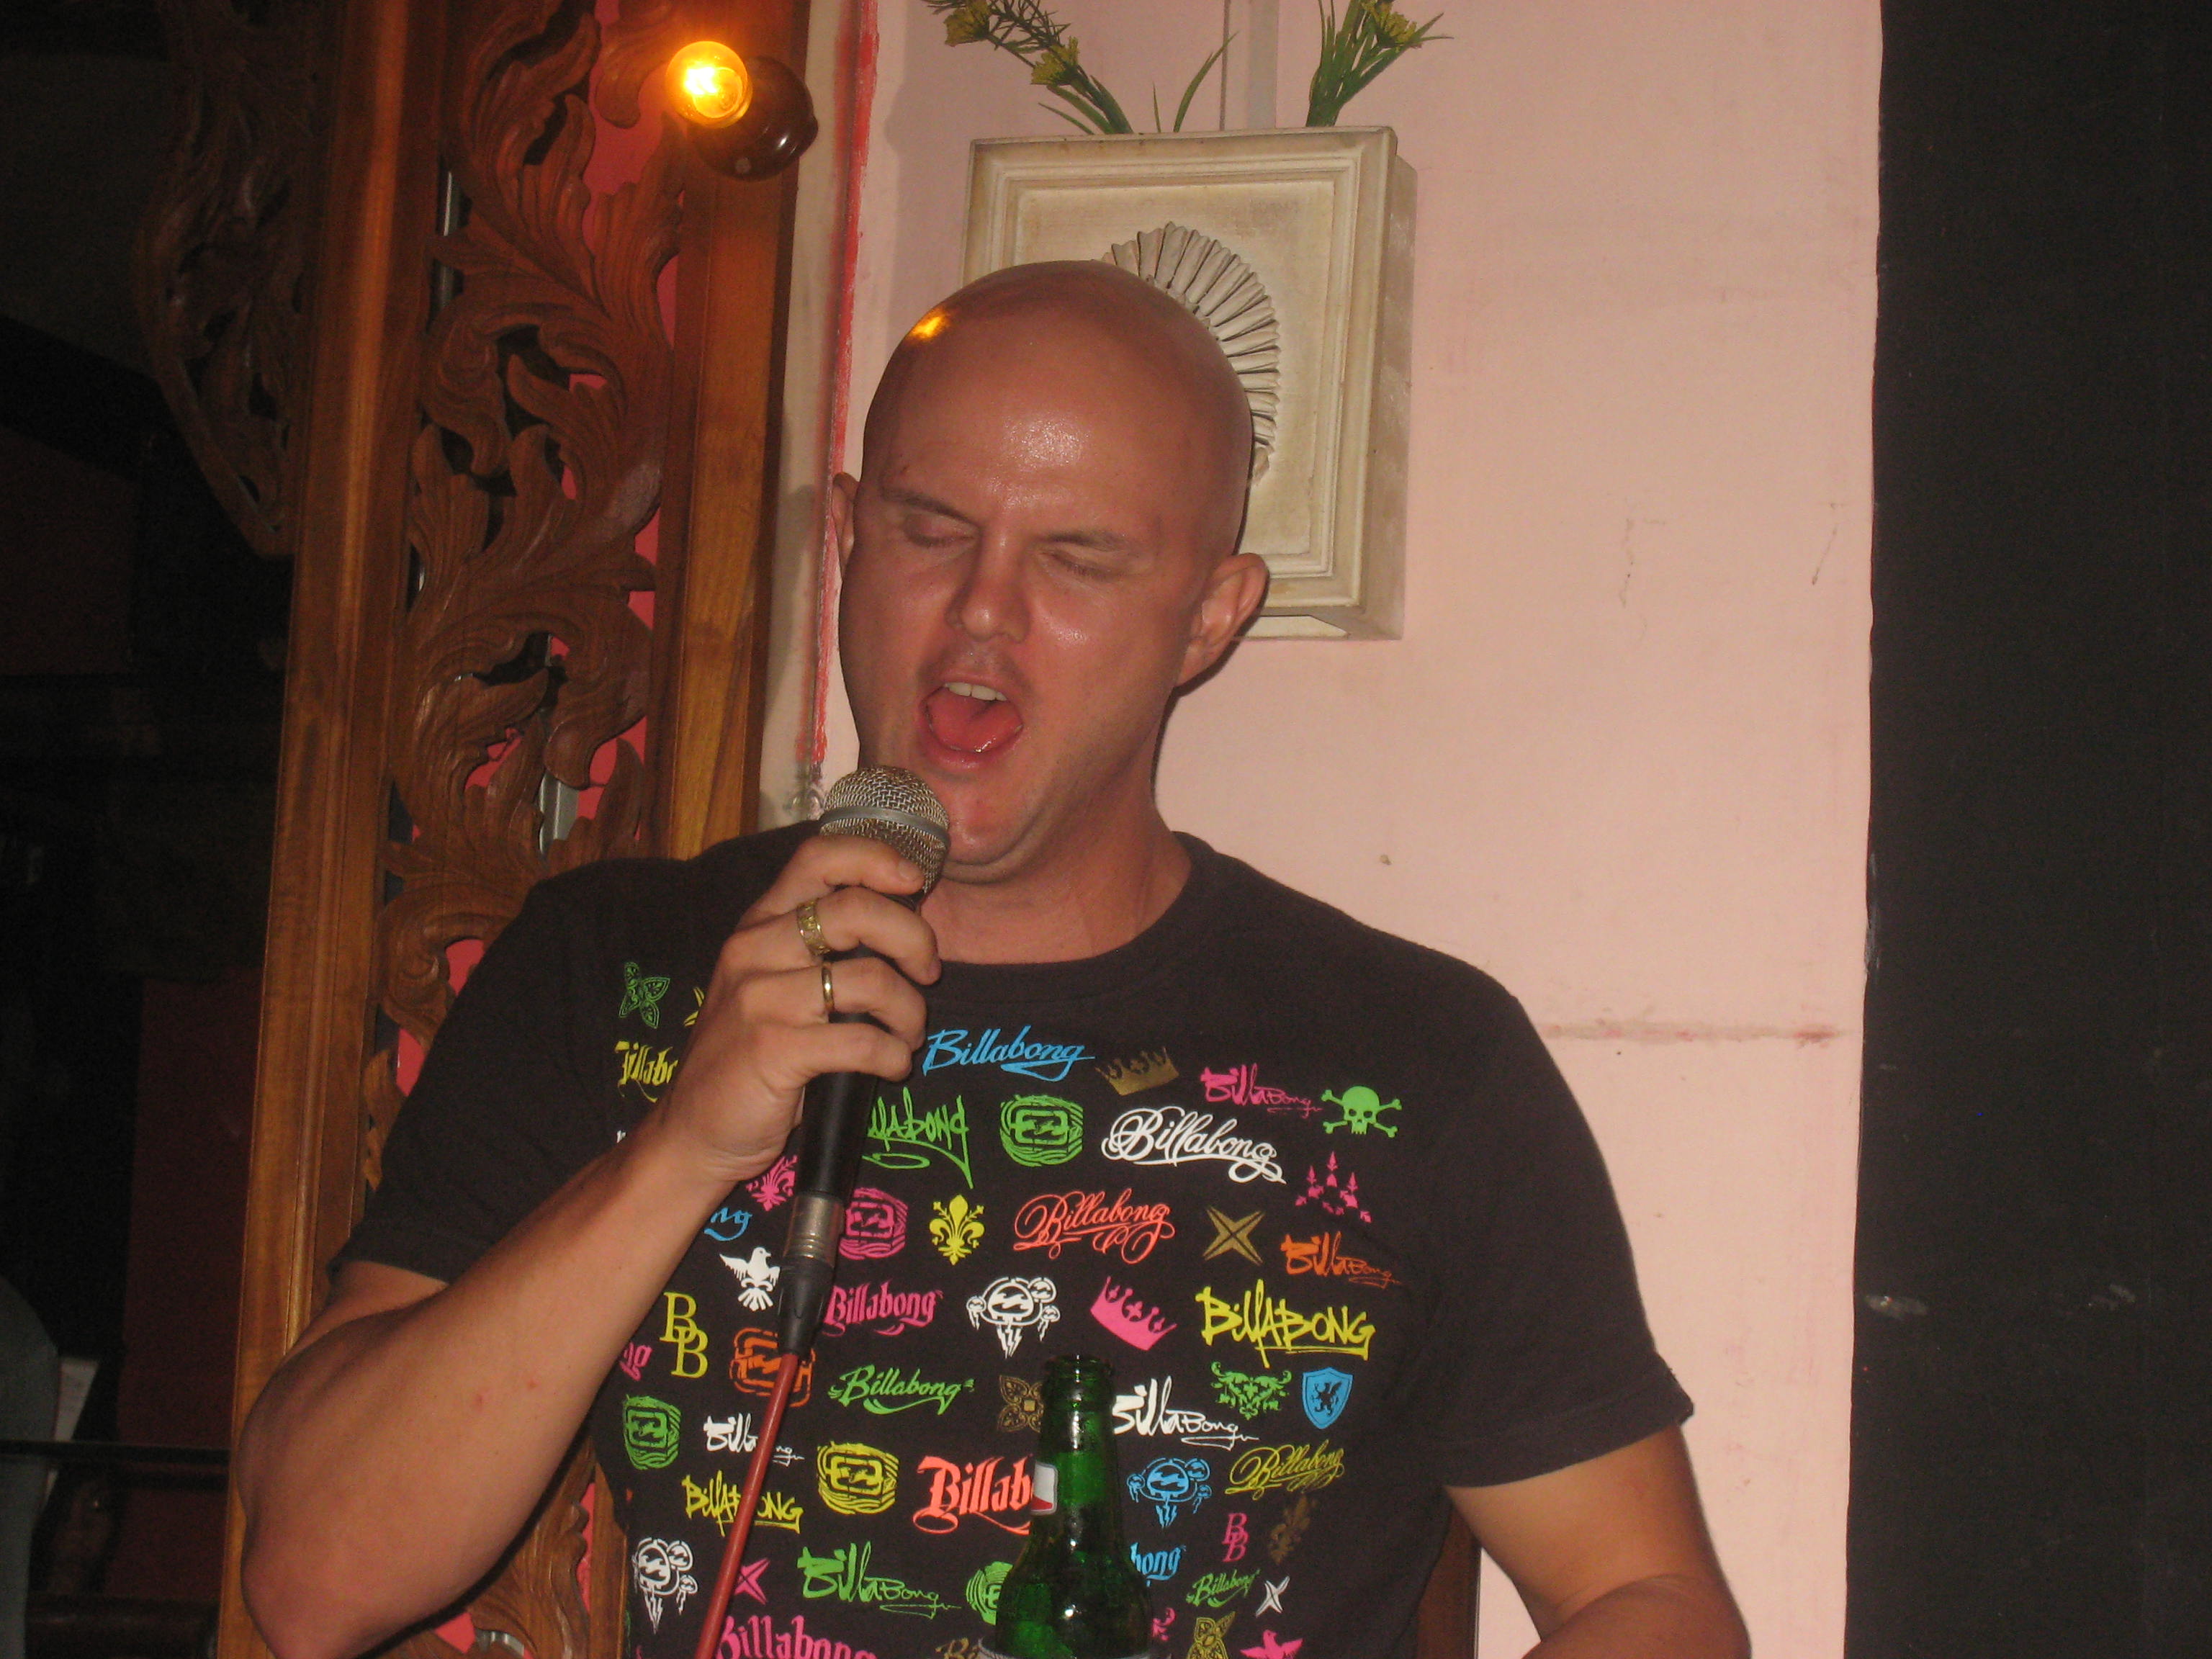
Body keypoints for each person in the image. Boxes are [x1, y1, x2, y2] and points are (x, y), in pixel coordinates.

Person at [235, 261, 1748, 1659]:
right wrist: (681, 1148)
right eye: (929, 529)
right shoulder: (611, 965)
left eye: (1078, 560)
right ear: (846, 535)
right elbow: (315, 1581)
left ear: (1209, 617)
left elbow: (1651, 1601)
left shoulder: (1414, 1056)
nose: (981, 612)